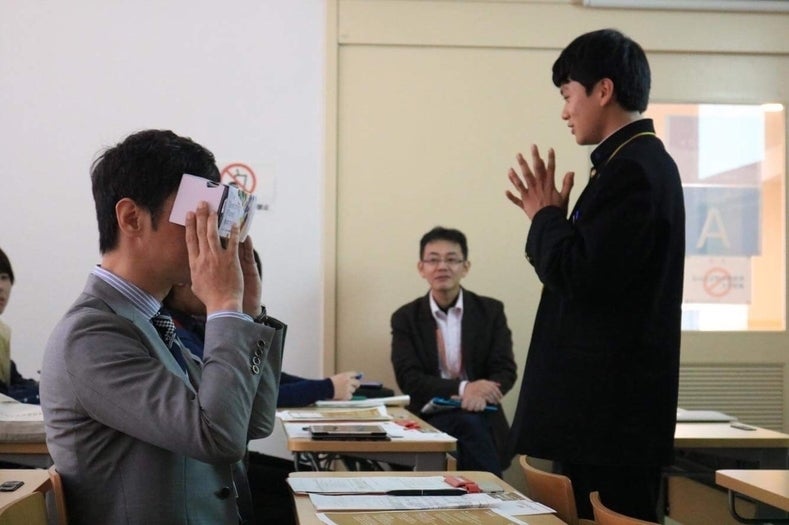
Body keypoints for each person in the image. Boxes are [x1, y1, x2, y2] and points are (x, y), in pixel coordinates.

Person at [40, 129, 286, 525]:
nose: (210, 236)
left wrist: (247, 313)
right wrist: (224, 307)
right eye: (195, 217)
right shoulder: (92, 335)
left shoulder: (149, 319)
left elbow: (250, 424)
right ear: (131, 218)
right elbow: (218, 438)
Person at [505, 29, 685, 521]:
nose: (565, 112)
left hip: (610, 420)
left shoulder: (633, 169)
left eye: (568, 96)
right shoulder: (626, 162)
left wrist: (545, 218)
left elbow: (579, 276)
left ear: (603, 90)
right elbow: (589, 271)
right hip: (603, 418)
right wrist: (553, 224)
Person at [390, 226, 517, 477]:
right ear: (421, 268)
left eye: (451, 259)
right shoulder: (406, 317)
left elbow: (505, 370)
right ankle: (491, 492)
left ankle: (482, 493)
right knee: (467, 425)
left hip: (480, 411)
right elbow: (409, 379)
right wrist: (465, 388)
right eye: (433, 260)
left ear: (465, 267)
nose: (442, 267)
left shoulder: (490, 311)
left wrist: (481, 395)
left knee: (470, 422)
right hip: (428, 416)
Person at [163, 281, 362, 406]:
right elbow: (249, 397)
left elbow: (262, 377)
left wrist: (327, 385)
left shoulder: (193, 325)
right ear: (181, 282)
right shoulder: (179, 333)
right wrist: (326, 388)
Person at [0, 247, 40, 404]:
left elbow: (14, 381)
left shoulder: (2, 332)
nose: (1, 287)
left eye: (4, 277)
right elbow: (4, 396)